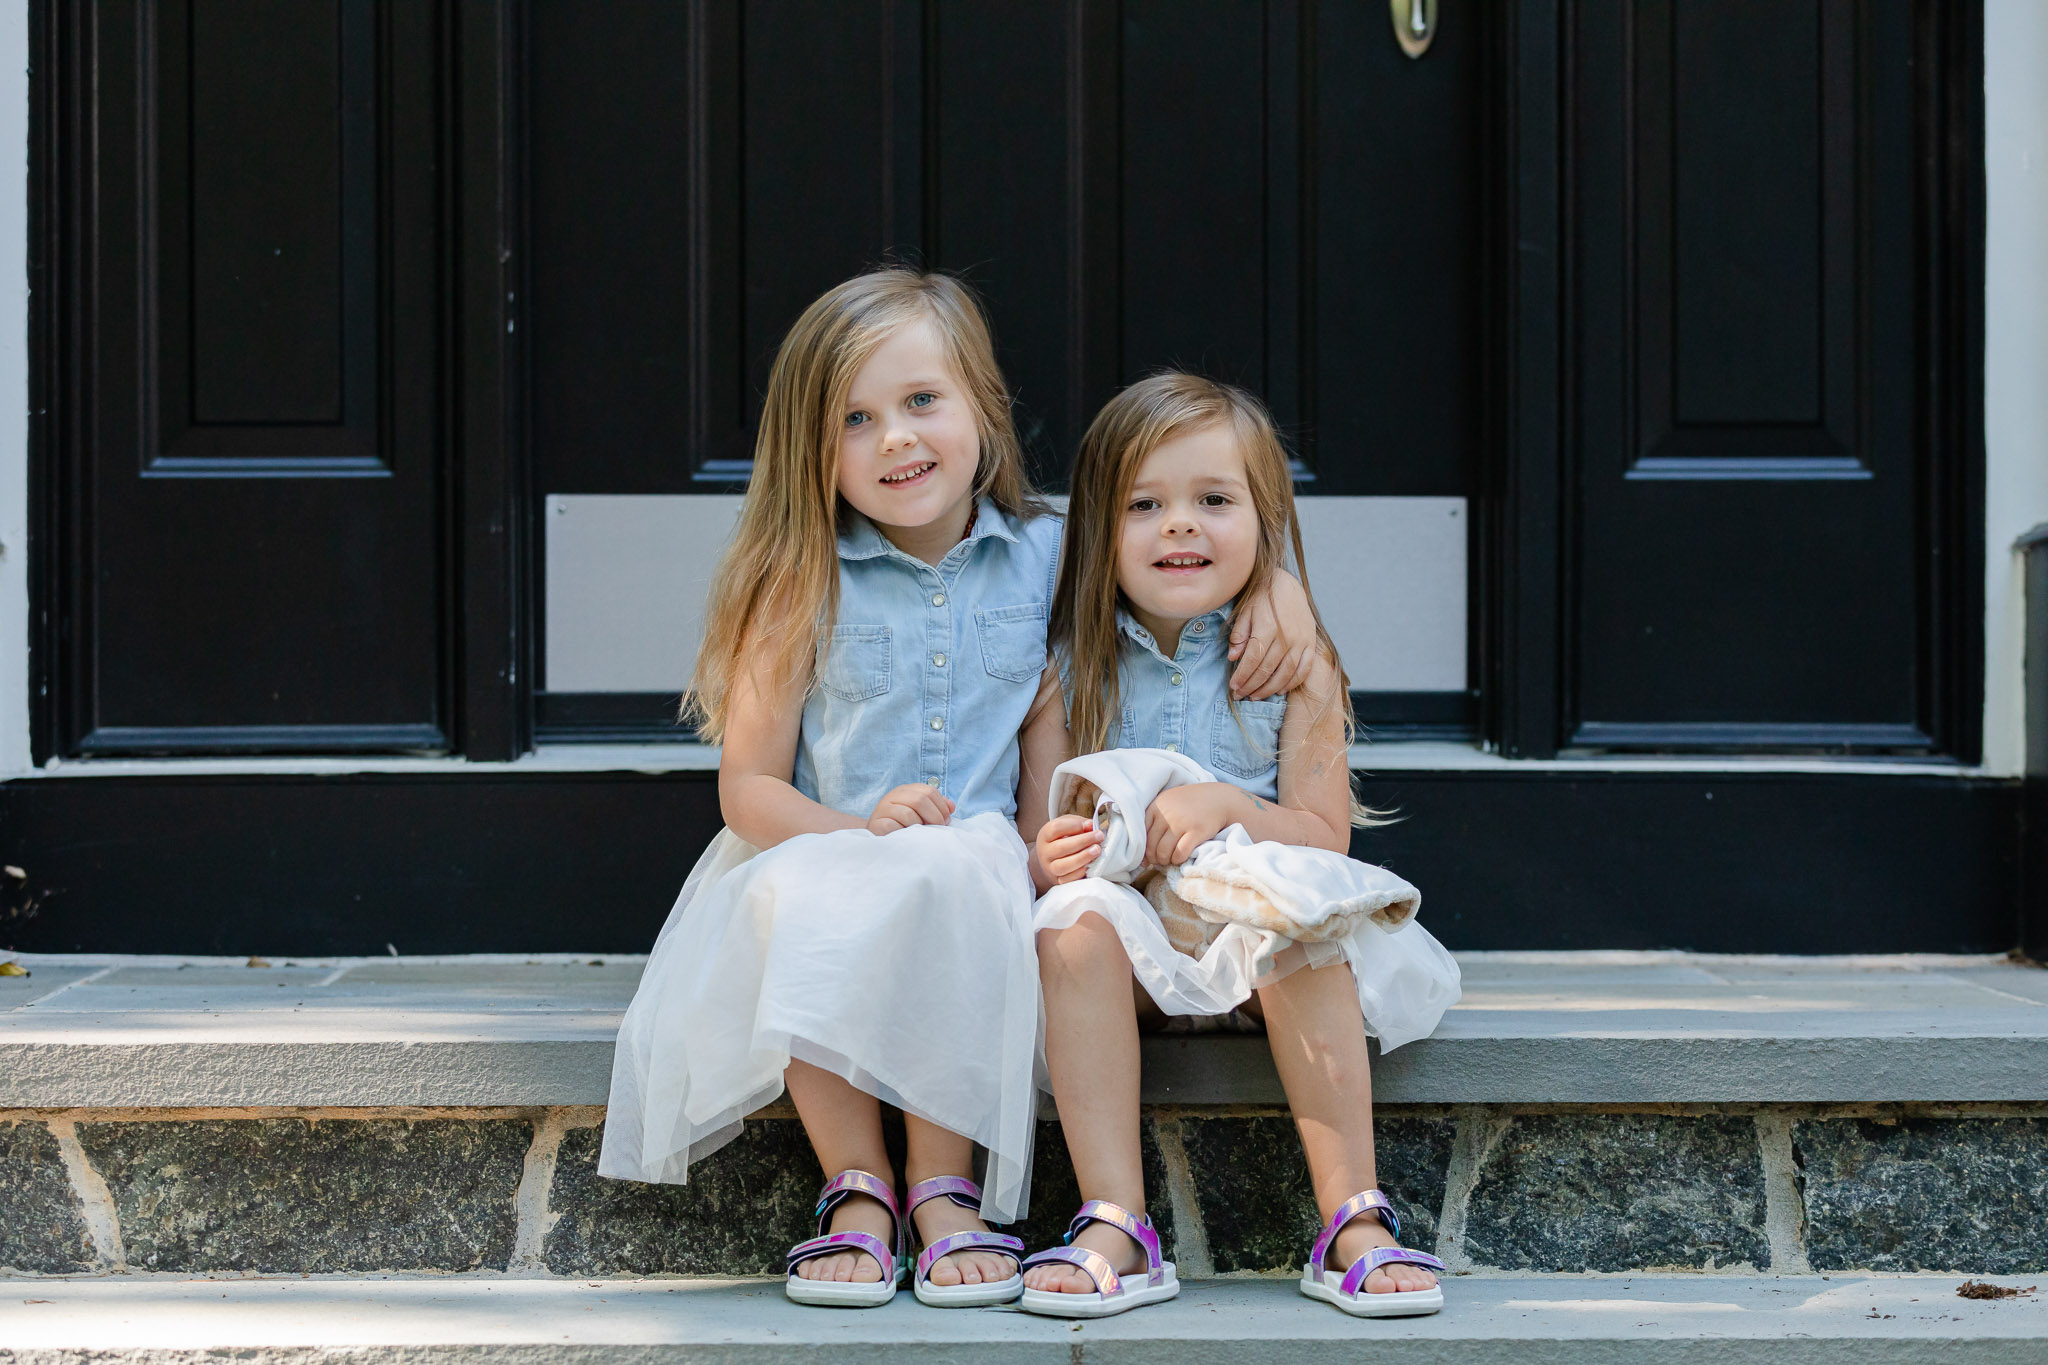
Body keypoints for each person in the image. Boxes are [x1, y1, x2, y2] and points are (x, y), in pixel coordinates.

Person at [599, 273, 1320, 1309]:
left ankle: (943, 1186)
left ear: (982, 404)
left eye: (921, 402)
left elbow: (1178, 549)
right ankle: (855, 1187)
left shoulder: (1047, 555)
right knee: (810, 896)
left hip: (981, 854)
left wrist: (1280, 587)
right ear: (812, 448)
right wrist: (852, 826)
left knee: (957, 876)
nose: (895, 439)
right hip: (821, 841)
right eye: (854, 420)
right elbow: (748, 788)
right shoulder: (799, 580)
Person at [1016, 372, 1461, 1319]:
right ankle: (1116, 1221)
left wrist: (1225, 805)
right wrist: (1053, 855)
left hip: (1254, 957)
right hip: (1132, 958)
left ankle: (1353, 1220)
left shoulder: (1296, 661)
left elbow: (1323, 837)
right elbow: (1035, 834)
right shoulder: (1067, 668)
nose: (1180, 525)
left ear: (1265, 519)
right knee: (1070, 922)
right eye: (1145, 505)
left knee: (1299, 920)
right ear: (1098, 528)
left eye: (1213, 501)